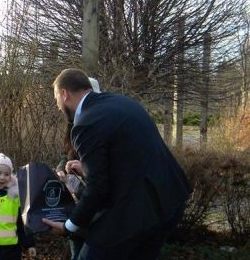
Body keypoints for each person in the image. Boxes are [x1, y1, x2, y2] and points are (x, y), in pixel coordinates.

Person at [43, 68, 191, 260]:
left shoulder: (86, 123)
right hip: (169, 200)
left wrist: (69, 227)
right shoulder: (122, 103)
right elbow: (129, 159)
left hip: (133, 213)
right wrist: (86, 169)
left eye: (56, 99)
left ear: (64, 94)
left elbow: (98, 189)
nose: (58, 105)